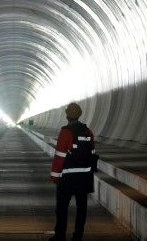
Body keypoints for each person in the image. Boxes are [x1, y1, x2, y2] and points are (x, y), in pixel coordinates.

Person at [49, 103, 96, 241]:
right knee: (82, 208)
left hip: (67, 178)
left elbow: (60, 156)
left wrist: (55, 176)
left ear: (67, 115)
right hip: (84, 178)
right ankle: (77, 237)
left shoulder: (65, 132)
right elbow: (92, 153)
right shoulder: (88, 132)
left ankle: (60, 236)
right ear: (80, 114)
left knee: (62, 208)